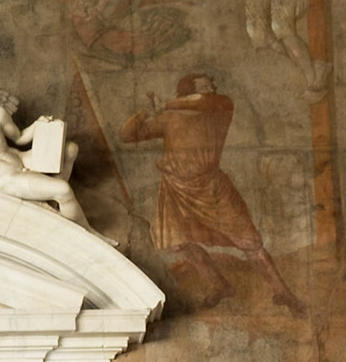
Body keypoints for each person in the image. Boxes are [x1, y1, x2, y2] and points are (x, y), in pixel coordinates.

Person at [119, 74, 304, 313]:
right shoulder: (170, 118)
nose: (212, 89)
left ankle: (283, 292)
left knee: (250, 242)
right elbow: (126, 136)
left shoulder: (218, 109)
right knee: (179, 244)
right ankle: (219, 286)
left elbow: (201, 101)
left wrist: (163, 104)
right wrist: (144, 112)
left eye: (212, 86)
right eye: (206, 86)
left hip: (211, 187)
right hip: (175, 188)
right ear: (187, 91)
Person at [0, 69, 86, 224]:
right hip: (6, 178)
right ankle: (88, 233)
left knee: (71, 150)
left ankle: (49, 204)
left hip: (19, 159)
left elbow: (19, 137)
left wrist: (37, 125)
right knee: (63, 190)